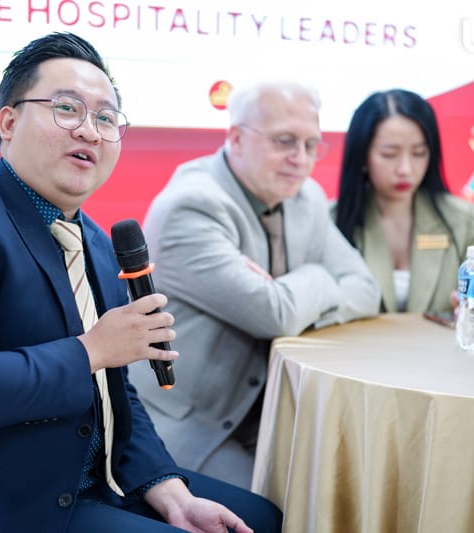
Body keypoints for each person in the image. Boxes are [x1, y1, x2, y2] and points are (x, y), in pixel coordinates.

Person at [0, 32, 282, 533]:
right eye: (67, 109)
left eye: (106, 118)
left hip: (93, 481)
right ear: (8, 122)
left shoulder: (97, 243)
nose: (90, 130)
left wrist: (170, 493)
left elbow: (115, 398)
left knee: (264, 518)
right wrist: (93, 350)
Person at [131, 81, 381, 490]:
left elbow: (366, 289)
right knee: (291, 507)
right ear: (236, 138)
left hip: (272, 414)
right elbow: (273, 314)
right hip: (189, 426)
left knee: (358, 479)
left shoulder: (305, 197)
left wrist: (292, 297)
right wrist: (317, 277)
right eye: (284, 141)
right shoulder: (191, 206)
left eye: (311, 145)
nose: (300, 159)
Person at [333, 89, 474, 314]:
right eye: (389, 154)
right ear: (362, 156)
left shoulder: (460, 219)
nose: (405, 169)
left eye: (419, 153)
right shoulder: (330, 222)